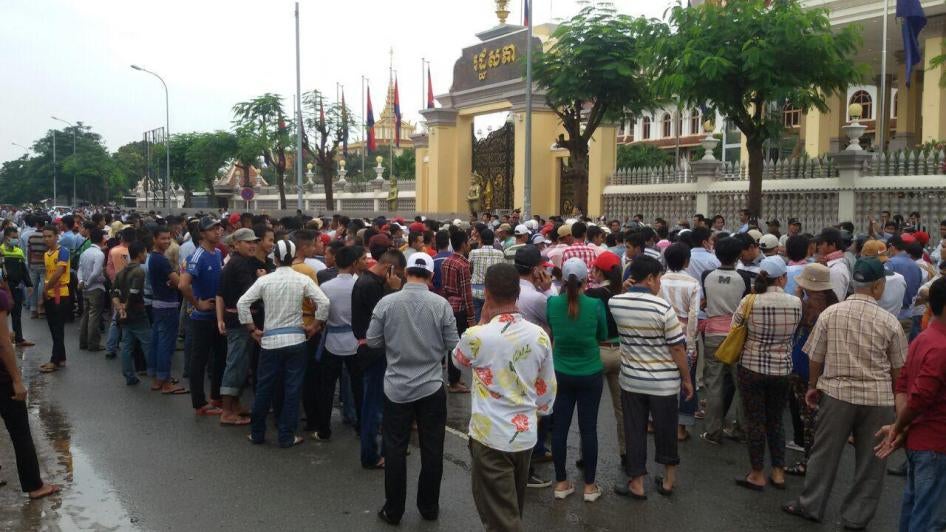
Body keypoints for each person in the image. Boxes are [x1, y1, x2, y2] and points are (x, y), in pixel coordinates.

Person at [784, 258, 907, 529]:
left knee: (823, 453)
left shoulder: (832, 313)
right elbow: (899, 370)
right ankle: (856, 516)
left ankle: (811, 504)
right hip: (878, 399)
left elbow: (815, 355)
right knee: (872, 460)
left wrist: (813, 385)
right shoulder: (890, 322)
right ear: (878, 286)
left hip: (837, 393)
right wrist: (899, 407)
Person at [453, 263, 556, 531]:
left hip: (490, 435)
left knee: (501, 518)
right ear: (517, 294)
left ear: (486, 293)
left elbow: (458, 361)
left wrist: (484, 321)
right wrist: (537, 414)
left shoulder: (476, 336)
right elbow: (547, 390)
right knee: (511, 507)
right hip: (525, 434)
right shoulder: (539, 335)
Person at [367, 252, 459, 525]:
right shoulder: (441, 305)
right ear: (431, 276)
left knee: (394, 449)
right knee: (433, 448)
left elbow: (372, 340)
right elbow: (454, 344)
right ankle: (428, 507)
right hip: (430, 385)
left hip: (396, 385)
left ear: (405, 272)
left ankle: (393, 510)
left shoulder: (386, 302)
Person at [610, 255, 693, 499]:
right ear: (650, 279)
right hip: (664, 383)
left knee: (634, 429)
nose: (660, 283)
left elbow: (618, 298)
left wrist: (624, 289)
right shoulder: (663, 308)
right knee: (666, 429)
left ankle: (637, 482)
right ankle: (668, 480)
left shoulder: (616, 302)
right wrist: (687, 379)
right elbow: (677, 348)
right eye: (658, 278)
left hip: (631, 380)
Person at [241, 239, 329, 448]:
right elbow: (324, 302)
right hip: (297, 340)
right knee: (292, 389)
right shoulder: (302, 279)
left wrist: (252, 329)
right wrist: (315, 325)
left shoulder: (265, 281)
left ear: (276, 258)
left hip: (270, 341)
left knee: (264, 388)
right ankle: (287, 435)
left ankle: (257, 433)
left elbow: (242, 302)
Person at [875, 277, 946, 532]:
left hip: (920, 441)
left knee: (915, 508)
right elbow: (919, 396)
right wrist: (899, 425)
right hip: (936, 444)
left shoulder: (924, 338)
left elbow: (904, 384)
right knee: (930, 519)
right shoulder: (940, 347)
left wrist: (900, 425)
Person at [731, 256, 801, 491]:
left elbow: (735, 329)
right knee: (776, 420)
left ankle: (757, 473)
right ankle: (779, 472)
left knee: (755, 421)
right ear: (782, 278)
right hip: (782, 369)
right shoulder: (796, 302)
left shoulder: (750, 301)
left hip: (751, 367)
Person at [545, 258, 608, 501]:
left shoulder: (552, 303)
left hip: (560, 372)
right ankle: (590, 487)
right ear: (585, 280)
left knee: (560, 428)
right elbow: (602, 334)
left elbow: (552, 328)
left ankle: (561, 482)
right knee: (588, 429)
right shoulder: (595, 305)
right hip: (590, 372)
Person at [0, 286, 60, 499]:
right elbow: (3, 343)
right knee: (20, 432)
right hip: (2, 378)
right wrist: (17, 379)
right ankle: (34, 485)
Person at [353, 247, 405, 470]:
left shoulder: (368, 281)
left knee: (378, 403)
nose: (400, 278)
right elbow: (385, 317)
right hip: (374, 350)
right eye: (399, 273)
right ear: (389, 268)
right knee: (373, 405)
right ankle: (370, 455)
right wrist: (394, 291)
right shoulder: (370, 285)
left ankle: (382, 449)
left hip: (372, 348)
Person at [785, 263, 838, 476]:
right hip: (818, 368)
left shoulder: (809, 308)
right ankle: (816, 460)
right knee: (814, 419)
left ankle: (810, 462)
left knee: (808, 419)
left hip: (807, 369)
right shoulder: (832, 306)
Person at [700, 237, 753, 445]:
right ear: (739, 254)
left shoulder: (707, 275)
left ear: (717, 254)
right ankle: (741, 428)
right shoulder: (744, 277)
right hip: (737, 334)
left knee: (713, 383)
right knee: (741, 383)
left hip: (713, 333)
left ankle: (713, 430)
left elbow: (706, 300)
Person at [314, 245, 365, 440]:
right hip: (355, 341)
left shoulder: (325, 287)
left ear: (336, 262)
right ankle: (361, 426)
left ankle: (323, 429)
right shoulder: (360, 284)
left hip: (331, 340)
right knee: (358, 387)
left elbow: (322, 315)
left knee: (326, 387)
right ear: (354, 264)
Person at [180, 217, 227, 416]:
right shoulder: (197, 256)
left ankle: (216, 396)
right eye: (212, 229)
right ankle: (199, 402)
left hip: (217, 315)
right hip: (202, 317)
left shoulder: (217, 253)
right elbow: (183, 284)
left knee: (220, 358)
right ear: (202, 234)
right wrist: (197, 303)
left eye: (219, 228)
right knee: (199, 360)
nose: (218, 231)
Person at [215, 228, 262, 425]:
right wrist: (261, 279)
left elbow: (220, 293)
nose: (252, 245)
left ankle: (235, 405)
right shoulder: (239, 264)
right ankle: (227, 411)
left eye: (254, 242)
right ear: (236, 244)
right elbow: (249, 293)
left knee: (240, 364)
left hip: (236, 320)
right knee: (236, 364)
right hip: (240, 321)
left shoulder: (238, 262)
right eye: (247, 242)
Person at [585, 251, 626, 467]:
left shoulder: (592, 294)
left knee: (590, 407)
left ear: (599, 271)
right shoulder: (623, 293)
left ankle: (586, 455)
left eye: (594, 269)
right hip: (621, 352)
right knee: (622, 408)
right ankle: (625, 452)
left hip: (598, 351)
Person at [659, 243, 701, 440]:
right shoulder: (692, 283)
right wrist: (691, 344)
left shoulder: (660, 280)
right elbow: (693, 316)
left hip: (662, 333)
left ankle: (654, 420)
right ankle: (680, 428)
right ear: (686, 261)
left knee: (659, 376)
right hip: (683, 334)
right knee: (686, 378)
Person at [148, 226, 184, 394]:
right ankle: (166, 381)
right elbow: (179, 283)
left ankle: (157, 379)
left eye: (168, 238)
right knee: (166, 344)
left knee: (157, 341)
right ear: (155, 239)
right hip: (168, 305)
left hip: (158, 303)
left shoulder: (153, 258)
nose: (167, 241)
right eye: (163, 238)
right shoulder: (161, 260)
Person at [111, 241, 152, 385]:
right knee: (148, 344)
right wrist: (126, 307)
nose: (146, 255)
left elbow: (115, 292)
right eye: (145, 252)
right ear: (140, 253)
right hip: (137, 312)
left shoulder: (122, 271)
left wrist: (120, 308)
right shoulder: (139, 272)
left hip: (125, 314)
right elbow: (134, 293)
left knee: (127, 345)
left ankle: (129, 375)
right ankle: (157, 376)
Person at [440, 230, 473, 393]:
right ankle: (454, 381)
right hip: (459, 308)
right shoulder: (463, 265)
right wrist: (471, 316)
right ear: (464, 244)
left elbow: (444, 287)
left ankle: (453, 379)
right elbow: (467, 293)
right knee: (457, 345)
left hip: (448, 304)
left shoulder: (446, 262)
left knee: (450, 343)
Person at [38, 225, 70, 373]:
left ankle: (54, 361)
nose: (47, 239)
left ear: (57, 236)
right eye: (44, 236)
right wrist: (43, 294)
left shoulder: (63, 252)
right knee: (53, 328)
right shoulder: (47, 254)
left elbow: (58, 273)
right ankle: (61, 358)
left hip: (60, 294)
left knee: (57, 328)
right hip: (49, 293)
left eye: (50, 236)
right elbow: (47, 275)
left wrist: (46, 288)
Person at [2, 226, 34, 346]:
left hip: (17, 287)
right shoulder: (1, 251)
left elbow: (23, 270)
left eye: (17, 237)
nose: (16, 239)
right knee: (3, 314)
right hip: (4, 288)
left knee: (17, 314)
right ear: (6, 238)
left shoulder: (19, 251)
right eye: (13, 237)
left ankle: (19, 338)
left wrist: (29, 284)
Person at [469, 228, 505, 323]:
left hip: (475, 291)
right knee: (493, 319)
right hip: (493, 292)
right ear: (493, 239)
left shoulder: (474, 253)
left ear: (481, 239)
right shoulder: (500, 254)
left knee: (477, 319)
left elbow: (469, 268)